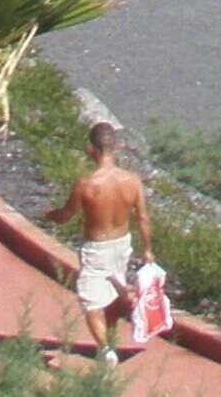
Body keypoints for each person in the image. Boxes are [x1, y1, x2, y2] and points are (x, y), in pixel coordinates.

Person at [45, 120, 156, 363]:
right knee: (114, 290)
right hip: (122, 244)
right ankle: (111, 338)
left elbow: (66, 216)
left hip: (97, 248)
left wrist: (50, 215)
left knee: (90, 300)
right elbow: (144, 218)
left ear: (91, 149)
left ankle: (105, 350)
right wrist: (147, 250)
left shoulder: (87, 184)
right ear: (115, 146)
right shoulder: (132, 181)